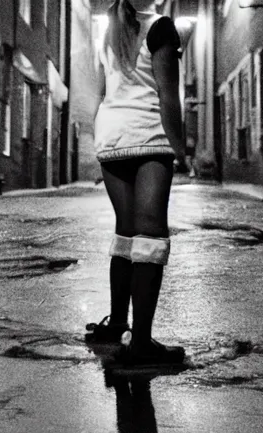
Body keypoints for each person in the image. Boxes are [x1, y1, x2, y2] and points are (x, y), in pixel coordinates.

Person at [86, 0, 191, 370]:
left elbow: (101, 91)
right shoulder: (161, 28)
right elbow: (167, 95)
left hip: (111, 135)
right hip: (147, 134)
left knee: (127, 233)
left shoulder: (108, 31)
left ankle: (117, 325)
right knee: (150, 236)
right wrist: (181, 148)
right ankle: (142, 343)